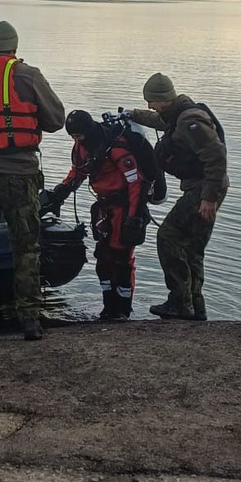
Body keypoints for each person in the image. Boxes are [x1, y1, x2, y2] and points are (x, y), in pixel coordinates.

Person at [0, 20, 65, 344]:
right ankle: (29, 321)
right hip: (21, 175)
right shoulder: (28, 75)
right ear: (14, 47)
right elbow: (56, 119)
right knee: (26, 248)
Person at [45, 110, 166, 320]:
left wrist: (134, 218)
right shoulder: (82, 146)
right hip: (104, 207)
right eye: (73, 137)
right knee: (103, 255)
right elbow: (78, 171)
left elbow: (136, 183)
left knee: (121, 256)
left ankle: (123, 309)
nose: (76, 140)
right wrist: (60, 192)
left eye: (78, 136)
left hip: (124, 207)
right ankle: (108, 306)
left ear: (88, 130)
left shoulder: (117, 148)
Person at [129, 74, 229, 321]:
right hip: (205, 188)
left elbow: (216, 156)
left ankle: (179, 302)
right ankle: (196, 307)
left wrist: (208, 198)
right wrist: (132, 114)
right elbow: (158, 120)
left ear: (164, 99)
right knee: (193, 248)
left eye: (152, 101)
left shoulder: (190, 120)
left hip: (204, 189)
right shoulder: (178, 114)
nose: (150, 105)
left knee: (168, 236)